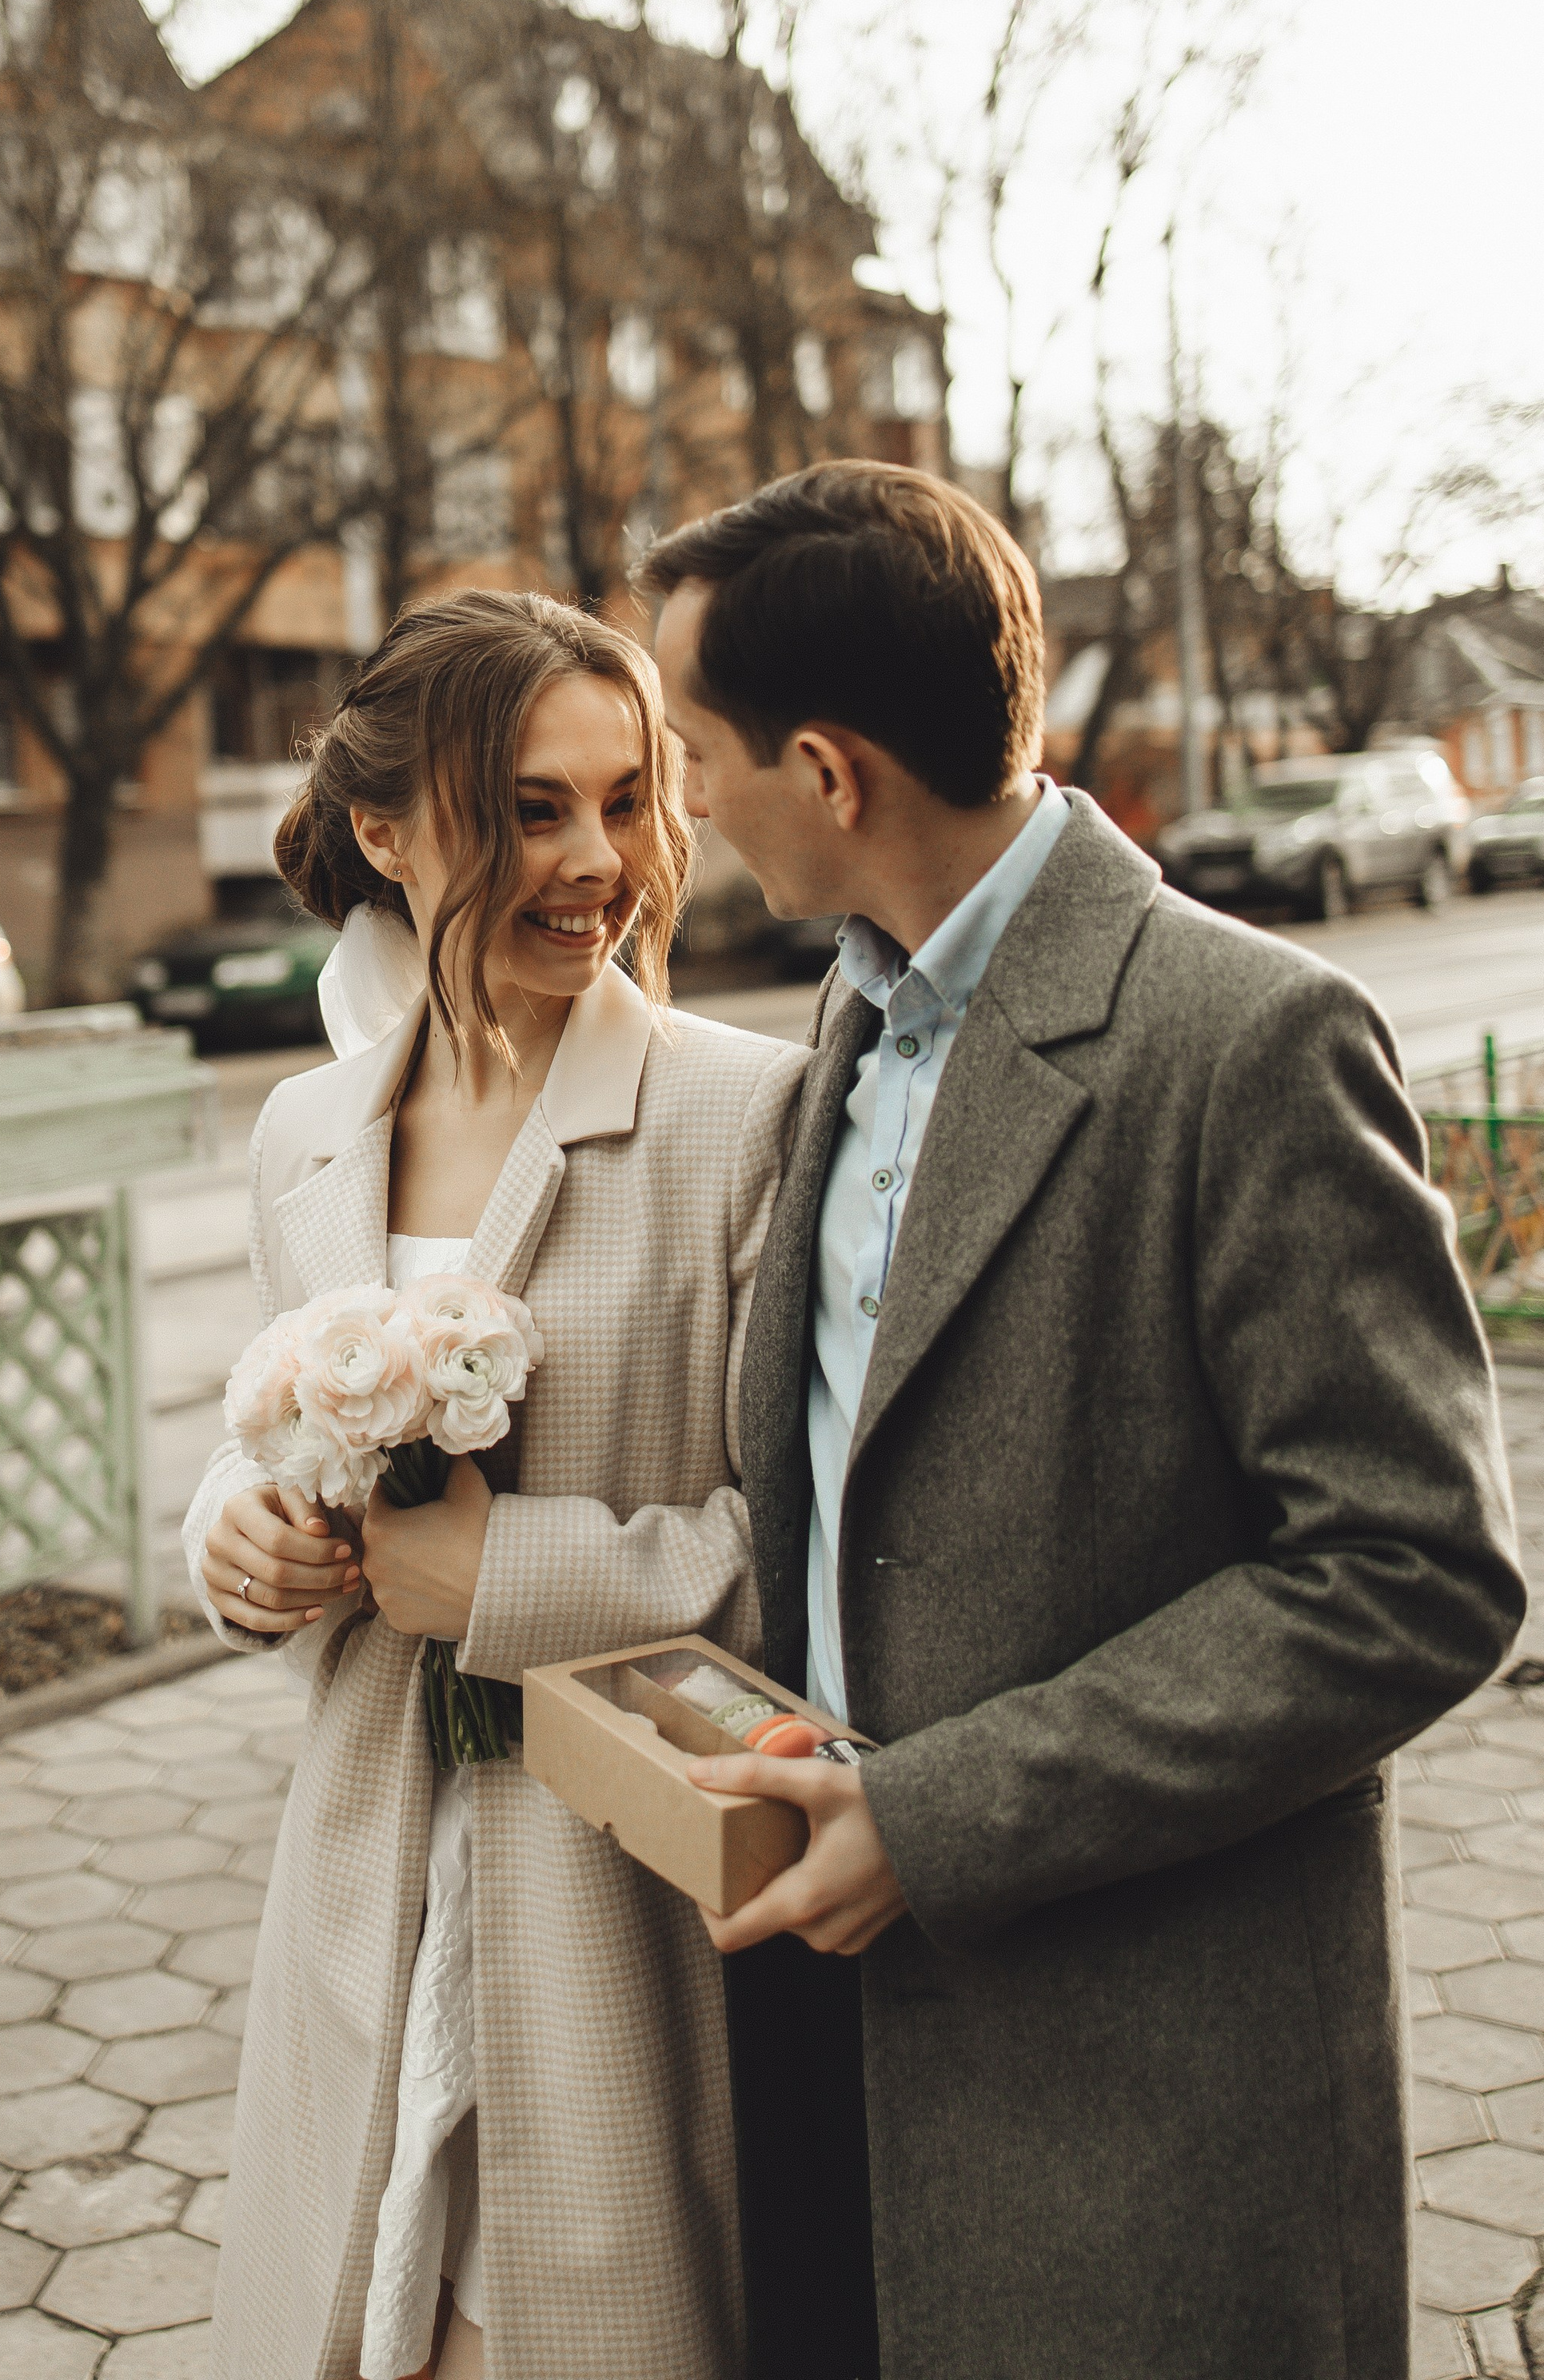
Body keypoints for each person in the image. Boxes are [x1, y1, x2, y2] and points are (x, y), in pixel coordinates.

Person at [633, 460, 1526, 2380]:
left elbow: (1413, 1572)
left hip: (1141, 2082)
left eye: (696, 750)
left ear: (825, 769)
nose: (684, 802)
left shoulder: (1246, 1039)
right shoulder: (842, 1023)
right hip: (832, 2052)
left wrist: (938, 1819)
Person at [183, 588, 808, 2380]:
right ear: (385, 831)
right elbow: (256, 1424)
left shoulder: (745, 1115)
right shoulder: (307, 1129)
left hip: (614, 1905)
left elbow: (813, 1559)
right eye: (532, 807)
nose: (598, 858)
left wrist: (503, 1579)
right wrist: (233, 1540)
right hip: (362, 1859)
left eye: (628, 799)